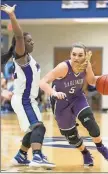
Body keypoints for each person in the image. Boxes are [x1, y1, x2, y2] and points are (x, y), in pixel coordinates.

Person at [39, 42, 108, 166]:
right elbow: (43, 82)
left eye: (80, 55)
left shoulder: (86, 65)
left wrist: (106, 79)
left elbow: (91, 80)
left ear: (84, 56)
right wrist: (53, 92)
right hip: (60, 102)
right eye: (74, 55)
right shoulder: (63, 67)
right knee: (71, 136)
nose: (76, 58)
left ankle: (101, 147)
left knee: (91, 124)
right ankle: (85, 153)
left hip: (78, 98)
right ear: (70, 55)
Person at [1, 4, 55, 168]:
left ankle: (21, 156)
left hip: (29, 100)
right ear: (21, 45)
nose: (33, 42)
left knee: (33, 129)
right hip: (23, 99)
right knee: (39, 127)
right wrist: (12, 16)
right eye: (29, 40)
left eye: (32, 40)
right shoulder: (21, 57)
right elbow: (18, 36)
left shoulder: (29, 59)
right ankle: (37, 157)